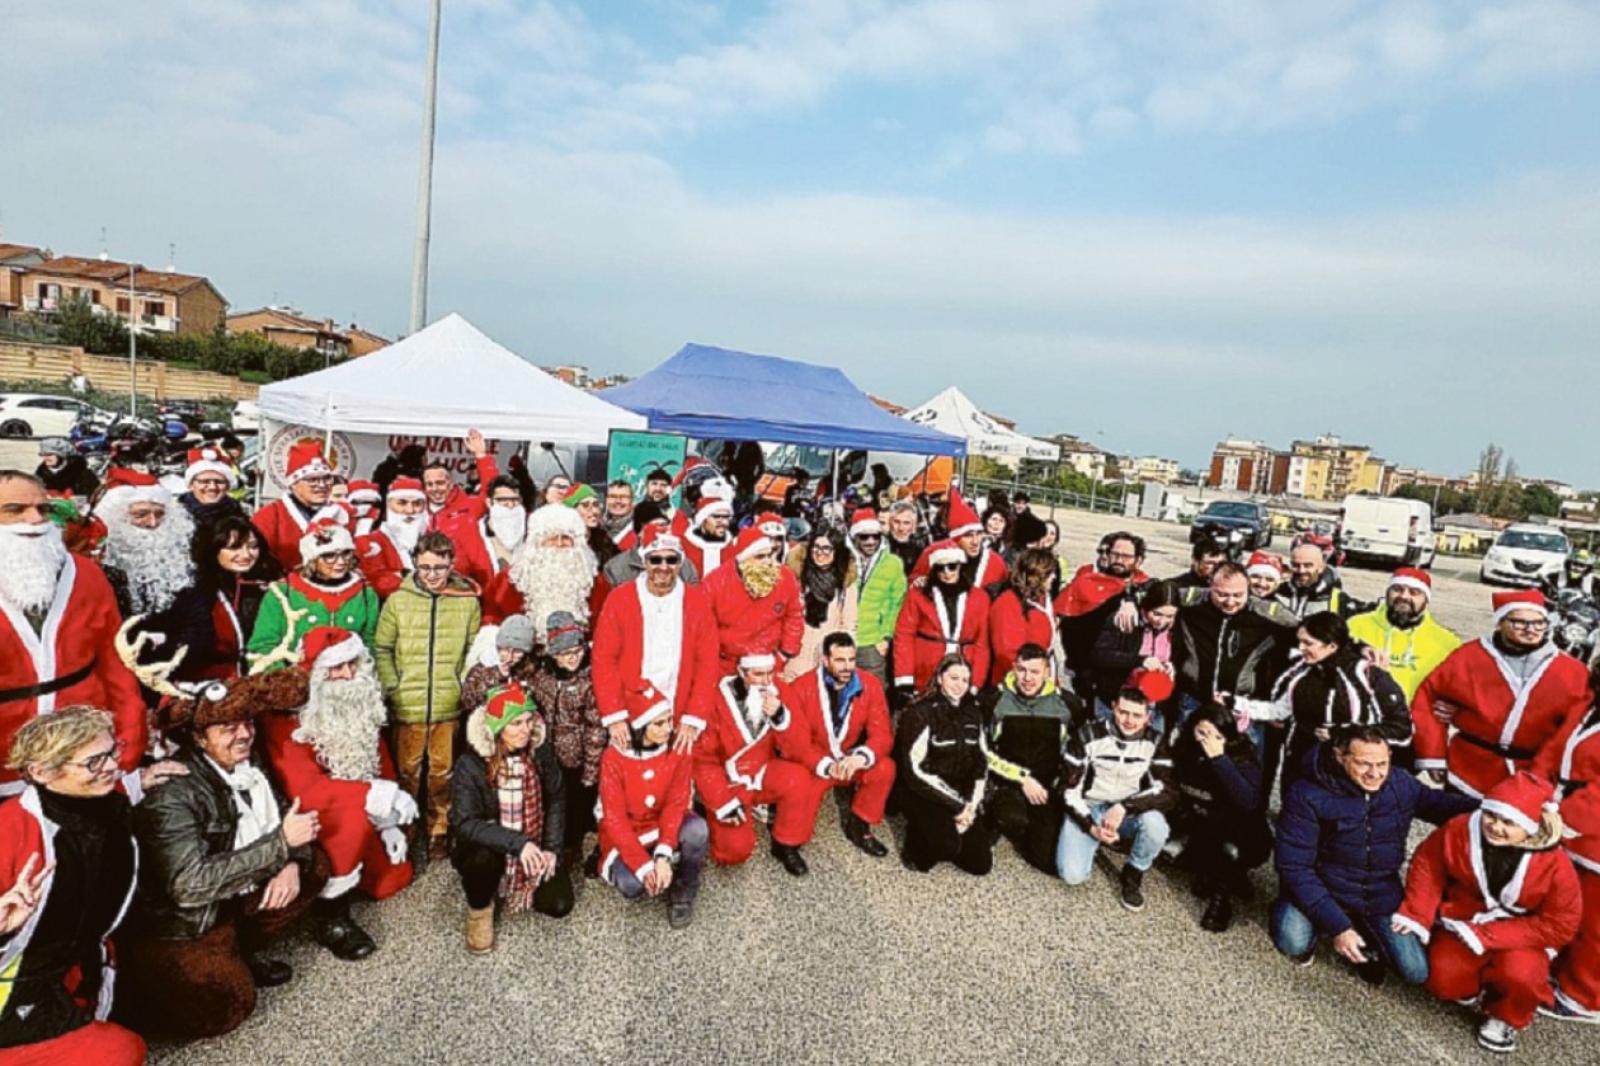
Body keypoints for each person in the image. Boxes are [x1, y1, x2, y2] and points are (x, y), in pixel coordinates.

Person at [119, 672, 328, 1038]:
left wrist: (292, 861)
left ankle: (238, 949)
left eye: (247, 723)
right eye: (227, 727)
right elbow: (187, 886)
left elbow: (285, 814)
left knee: (315, 867)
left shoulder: (249, 763)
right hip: (184, 921)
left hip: (230, 893)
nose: (244, 734)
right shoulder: (174, 792)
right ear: (199, 738)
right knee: (230, 1005)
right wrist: (281, 845)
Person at [0, 709, 150, 1065]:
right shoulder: (9, 833)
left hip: (79, 969)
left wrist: (141, 780)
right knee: (121, 1051)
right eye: (94, 761)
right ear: (41, 772)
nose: (113, 766)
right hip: (16, 989)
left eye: (113, 751)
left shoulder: (108, 807)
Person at [1395, 771, 1581, 1054]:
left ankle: (1505, 1016)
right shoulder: (1460, 828)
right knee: (1443, 980)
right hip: (1466, 918)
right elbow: (1428, 864)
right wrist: (1417, 914)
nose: (1495, 826)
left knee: (1521, 975)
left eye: (1508, 822)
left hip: (1524, 933)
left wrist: (1489, 935)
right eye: (1491, 815)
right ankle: (1470, 986)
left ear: (1530, 826)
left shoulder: (1556, 865)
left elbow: (1561, 924)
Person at [257, 628, 416, 959]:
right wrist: (376, 794)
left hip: (357, 800)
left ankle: (361, 856)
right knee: (350, 819)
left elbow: (378, 759)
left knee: (392, 879)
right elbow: (307, 791)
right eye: (335, 668)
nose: (347, 675)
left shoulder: (360, 702)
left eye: (352, 664)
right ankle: (331, 916)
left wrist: (388, 824)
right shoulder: (286, 720)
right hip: (316, 817)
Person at [1272, 727, 1474, 984]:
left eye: (1382, 763)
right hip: (1324, 884)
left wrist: (1496, 809)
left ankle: (1361, 928)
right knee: (1292, 942)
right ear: (1339, 756)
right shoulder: (1306, 794)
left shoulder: (1402, 784)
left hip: (1379, 892)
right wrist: (1339, 927)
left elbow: (1445, 806)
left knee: (1416, 971)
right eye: (1363, 764)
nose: (1375, 773)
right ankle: (1330, 922)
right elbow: (1294, 867)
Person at [0, 471, 145, 799]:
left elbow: (116, 667)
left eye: (42, 509)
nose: (34, 519)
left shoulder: (86, 574)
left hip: (83, 759)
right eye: (15, 509)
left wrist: (128, 742)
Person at [1412, 589, 1590, 798]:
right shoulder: (1469, 657)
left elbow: (1578, 726)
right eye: (1520, 623)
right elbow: (1427, 698)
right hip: (1467, 768)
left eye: (1539, 623)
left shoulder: (1572, 671)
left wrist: (1550, 773)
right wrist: (1433, 755)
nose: (1531, 630)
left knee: (1505, 831)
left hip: (1530, 776)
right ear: (1500, 622)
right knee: (1458, 828)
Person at [373, 532, 481, 857]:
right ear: (415, 565)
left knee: (442, 772)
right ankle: (405, 823)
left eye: (439, 567)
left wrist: (461, 686)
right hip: (408, 702)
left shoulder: (467, 601)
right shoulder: (398, 601)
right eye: (425, 568)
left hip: (447, 704)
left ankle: (439, 827)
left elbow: (471, 652)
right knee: (407, 770)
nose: (432, 575)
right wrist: (393, 684)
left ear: (451, 564)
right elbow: (382, 647)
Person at [450, 682, 571, 954]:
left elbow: (556, 798)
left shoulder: (540, 752)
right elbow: (465, 823)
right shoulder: (470, 765)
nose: (525, 730)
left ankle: (524, 882)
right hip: (492, 845)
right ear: (497, 728)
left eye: (528, 721)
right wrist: (518, 843)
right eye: (515, 723)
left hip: (535, 841)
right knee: (482, 861)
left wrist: (551, 848)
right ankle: (479, 910)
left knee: (559, 904)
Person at [1236, 611, 1413, 794]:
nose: (1300, 647)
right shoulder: (1301, 670)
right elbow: (1280, 710)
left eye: (1308, 643)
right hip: (1300, 765)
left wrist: (1343, 734)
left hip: (1345, 771)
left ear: (1332, 646)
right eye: (1300, 641)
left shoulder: (1366, 674)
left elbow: (1401, 729)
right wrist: (1234, 704)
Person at [591, 526, 719, 755]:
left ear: (680, 563)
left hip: (678, 714)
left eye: (671, 560)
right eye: (655, 559)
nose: (663, 567)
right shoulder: (620, 599)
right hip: (631, 713)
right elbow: (604, 660)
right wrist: (615, 715)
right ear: (644, 561)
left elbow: (707, 663)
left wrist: (694, 716)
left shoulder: (697, 602)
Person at [596, 683, 708, 929]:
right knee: (631, 885)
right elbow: (614, 819)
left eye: (669, 720)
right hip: (628, 830)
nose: (669, 728)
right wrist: (644, 866)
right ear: (639, 726)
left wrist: (663, 853)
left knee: (698, 830)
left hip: (661, 823)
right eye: (659, 723)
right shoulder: (614, 757)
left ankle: (684, 889)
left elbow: (676, 803)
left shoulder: (678, 749)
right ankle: (656, 863)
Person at [1056, 681, 1175, 911]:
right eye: (1123, 712)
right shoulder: (1087, 735)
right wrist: (1090, 826)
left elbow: (1168, 790)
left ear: (1147, 716)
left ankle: (1134, 872)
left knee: (1157, 827)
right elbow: (1067, 790)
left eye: (1136, 715)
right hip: (1090, 806)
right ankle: (1094, 839)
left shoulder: (1156, 741)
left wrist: (1124, 807)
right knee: (1072, 875)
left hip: (1126, 811)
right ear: (1113, 708)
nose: (1129, 721)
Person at [693, 653, 816, 875]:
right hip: (728, 781)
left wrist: (780, 717)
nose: (766, 681)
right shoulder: (715, 699)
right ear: (740, 672)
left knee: (798, 778)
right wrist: (722, 801)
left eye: (770, 673)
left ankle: (785, 844)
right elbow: (703, 761)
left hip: (761, 771)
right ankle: (706, 811)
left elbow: (800, 749)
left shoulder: (780, 692)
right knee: (735, 852)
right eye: (758, 674)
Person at [778, 634, 896, 858]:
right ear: (824, 660)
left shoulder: (869, 684)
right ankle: (787, 844)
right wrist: (824, 764)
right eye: (840, 660)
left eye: (852, 659)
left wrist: (862, 756)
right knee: (801, 785)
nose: (848, 667)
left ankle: (859, 827)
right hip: (815, 760)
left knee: (884, 768)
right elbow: (795, 743)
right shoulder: (801, 688)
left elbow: (882, 734)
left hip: (848, 758)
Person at [981, 644, 1078, 874]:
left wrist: (1062, 783)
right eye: (1022, 670)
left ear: (1046, 672)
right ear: (1014, 668)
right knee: (1012, 819)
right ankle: (995, 818)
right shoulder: (995, 701)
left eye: (1035, 672)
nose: (1027, 678)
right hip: (1008, 781)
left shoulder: (1068, 704)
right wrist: (1021, 779)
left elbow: (1075, 751)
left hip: (1045, 786)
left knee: (1047, 861)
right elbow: (982, 750)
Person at [1174, 699, 1270, 932]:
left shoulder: (1243, 758)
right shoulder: (1185, 751)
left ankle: (1221, 900)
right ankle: (1207, 868)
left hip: (1242, 834)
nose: (1207, 741)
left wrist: (1219, 760)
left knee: (1229, 851)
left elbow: (1249, 803)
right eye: (1202, 733)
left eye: (1217, 736)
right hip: (1202, 824)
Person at [896, 654, 992, 875]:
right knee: (939, 850)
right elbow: (915, 771)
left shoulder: (974, 712)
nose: (959, 685)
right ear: (940, 678)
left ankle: (948, 833)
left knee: (980, 865)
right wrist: (957, 806)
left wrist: (971, 806)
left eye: (965, 680)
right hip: (924, 790)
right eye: (953, 678)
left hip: (960, 790)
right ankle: (919, 836)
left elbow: (981, 761)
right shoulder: (920, 713)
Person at [1171, 561, 1298, 728]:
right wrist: (1129, 601)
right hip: (1193, 699)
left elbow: (1312, 634)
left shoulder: (1269, 614)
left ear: (1248, 588)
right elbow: (1153, 592)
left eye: (1238, 595)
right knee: (1185, 752)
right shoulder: (1191, 599)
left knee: (1243, 754)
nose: (1230, 602)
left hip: (1242, 705)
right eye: (1222, 594)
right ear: (1210, 585)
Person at [246, 516, 381, 673]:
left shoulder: (365, 594)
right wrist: (289, 683)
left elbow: (370, 645)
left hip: (347, 682)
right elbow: (263, 646)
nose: (341, 562)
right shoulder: (283, 593)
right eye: (329, 555)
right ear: (312, 559)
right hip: (297, 683)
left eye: (346, 554)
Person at [525, 612, 606, 869]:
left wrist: (591, 770)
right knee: (554, 800)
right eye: (565, 653)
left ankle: (573, 845)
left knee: (575, 802)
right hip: (549, 753)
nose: (573, 657)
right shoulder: (542, 678)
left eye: (577, 650)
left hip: (578, 757)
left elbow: (596, 728)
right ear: (553, 655)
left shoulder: (589, 681)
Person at [163, 516, 284, 683]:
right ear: (214, 549)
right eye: (234, 547)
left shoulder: (271, 585)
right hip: (209, 683)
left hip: (260, 678)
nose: (246, 554)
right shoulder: (195, 592)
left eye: (253, 546)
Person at [1543, 671, 1600, 1022]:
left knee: (1595, 923)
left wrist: (1560, 820)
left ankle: (1585, 997)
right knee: (1572, 910)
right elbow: (1554, 748)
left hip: (1592, 836)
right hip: (1567, 815)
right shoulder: (1587, 704)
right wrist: (1536, 787)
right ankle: (1564, 973)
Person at [1055, 531, 1152, 697]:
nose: (1119, 560)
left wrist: (1130, 598)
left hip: (1132, 678)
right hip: (1088, 675)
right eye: (1115, 554)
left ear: (1139, 560)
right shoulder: (1086, 582)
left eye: (1127, 556)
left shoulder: (1148, 588)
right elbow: (1062, 619)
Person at [1347, 567, 1462, 702]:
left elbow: (1460, 690)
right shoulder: (1355, 626)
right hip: (1365, 717)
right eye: (1397, 589)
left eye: (1414, 592)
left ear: (1426, 600)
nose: (1404, 596)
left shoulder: (1447, 643)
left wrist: (1453, 707)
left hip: (1415, 720)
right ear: (1387, 593)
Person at [704, 527, 805, 680]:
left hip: (769, 663)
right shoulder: (715, 582)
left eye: (769, 555)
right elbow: (704, 626)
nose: (767, 562)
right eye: (759, 557)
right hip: (726, 666)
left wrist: (786, 653)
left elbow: (794, 615)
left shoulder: (785, 577)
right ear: (744, 560)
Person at [894, 540, 991, 697]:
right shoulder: (918, 595)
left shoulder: (980, 598)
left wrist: (976, 683)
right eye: (940, 567)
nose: (947, 572)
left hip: (963, 671)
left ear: (960, 566)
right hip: (925, 671)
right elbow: (904, 635)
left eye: (952, 566)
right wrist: (904, 678)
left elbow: (982, 644)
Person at [480, 502, 597, 630]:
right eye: (551, 538)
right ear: (536, 543)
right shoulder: (505, 582)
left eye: (566, 538)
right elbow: (491, 623)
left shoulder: (593, 582)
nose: (559, 543)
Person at [96, 481, 197, 619]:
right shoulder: (99, 565)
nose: (152, 523)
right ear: (116, 518)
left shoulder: (182, 559)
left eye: (159, 514)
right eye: (141, 514)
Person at [1087, 578, 1178, 715]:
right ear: (1145, 607)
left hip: (1152, 704)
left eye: (1170, 616)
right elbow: (1099, 655)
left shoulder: (1174, 628)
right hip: (1117, 701)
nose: (1162, 621)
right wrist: (1140, 661)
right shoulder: (1125, 619)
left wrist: (1170, 666)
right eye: (1157, 614)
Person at [782, 528, 857, 682]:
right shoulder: (796, 577)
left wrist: (841, 657)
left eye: (826, 548)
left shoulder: (845, 583)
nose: (819, 552)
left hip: (826, 653)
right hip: (796, 653)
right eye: (816, 547)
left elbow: (849, 623)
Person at [252, 441, 337, 572]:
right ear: (294, 484)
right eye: (312, 480)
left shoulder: (341, 513)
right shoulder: (269, 516)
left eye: (327, 479)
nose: (322, 485)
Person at [847, 508, 907, 689]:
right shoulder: (844, 559)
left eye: (876, 536)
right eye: (864, 537)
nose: (871, 541)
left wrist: (886, 637)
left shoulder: (893, 563)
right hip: (842, 637)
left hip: (872, 641)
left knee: (873, 693)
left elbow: (896, 604)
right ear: (855, 537)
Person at [987, 547, 1058, 683]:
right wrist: (1028, 680)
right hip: (1018, 682)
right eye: (1050, 573)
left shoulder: (1042, 600)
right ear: (1037, 575)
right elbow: (1006, 653)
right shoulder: (1008, 602)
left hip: (1040, 677)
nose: (1053, 577)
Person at [910, 491, 1007, 588]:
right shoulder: (934, 552)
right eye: (968, 536)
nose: (975, 541)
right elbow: (912, 583)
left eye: (978, 534)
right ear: (955, 539)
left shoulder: (995, 563)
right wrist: (917, 582)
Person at [421, 430, 499, 547]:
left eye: (440, 483)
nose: (435, 488)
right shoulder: (416, 508)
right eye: (429, 484)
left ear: (451, 483)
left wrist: (481, 456)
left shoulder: (469, 506)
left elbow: (493, 491)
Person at [354, 476, 427, 600]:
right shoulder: (372, 541)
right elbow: (379, 583)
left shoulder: (431, 538)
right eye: (402, 503)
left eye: (417, 504)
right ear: (389, 504)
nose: (410, 511)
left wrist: (401, 576)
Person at [452, 475, 529, 592]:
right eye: (502, 500)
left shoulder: (532, 531)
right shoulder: (467, 535)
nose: (510, 505)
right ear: (489, 502)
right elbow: (460, 577)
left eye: (515, 500)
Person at [459, 614, 538, 715]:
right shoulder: (482, 668)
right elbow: (467, 703)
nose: (510, 657)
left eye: (517, 651)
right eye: (505, 649)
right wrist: (495, 675)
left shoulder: (533, 671)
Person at [1276, 542, 1364, 618]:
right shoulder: (1279, 592)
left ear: (1321, 567)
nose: (1301, 570)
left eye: (1308, 565)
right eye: (1296, 565)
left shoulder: (1337, 599)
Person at [176, 446, 243, 529]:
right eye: (205, 481)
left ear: (227, 486)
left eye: (219, 482)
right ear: (191, 485)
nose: (212, 487)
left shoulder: (237, 514)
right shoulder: (176, 517)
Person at [681, 494, 734, 577]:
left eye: (726, 517)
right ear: (703, 519)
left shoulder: (733, 547)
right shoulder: (683, 546)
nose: (723, 522)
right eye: (717, 517)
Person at [885, 499, 926, 574]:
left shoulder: (920, 549)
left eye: (906, 523)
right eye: (897, 522)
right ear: (890, 522)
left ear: (914, 525)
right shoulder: (879, 546)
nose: (901, 528)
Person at [603, 480, 635, 545]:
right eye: (613, 496)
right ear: (606, 500)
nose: (618, 501)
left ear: (631, 501)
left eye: (623, 497)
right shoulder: (597, 528)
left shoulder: (640, 529)